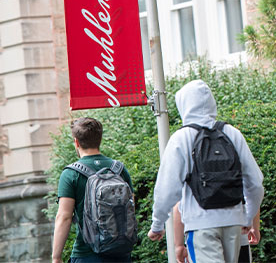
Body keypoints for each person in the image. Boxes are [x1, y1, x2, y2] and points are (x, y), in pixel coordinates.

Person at [147, 79, 264, 263]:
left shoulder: (182, 138)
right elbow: (255, 183)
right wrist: (247, 218)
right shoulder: (232, 133)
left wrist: (157, 224)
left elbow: (167, 189)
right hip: (234, 222)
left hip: (200, 224)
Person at [52, 117, 135, 263]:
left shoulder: (71, 174)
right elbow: (131, 207)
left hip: (87, 254)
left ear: (76, 142)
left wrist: (56, 257)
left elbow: (64, 217)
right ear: (100, 139)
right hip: (121, 253)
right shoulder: (119, 170)